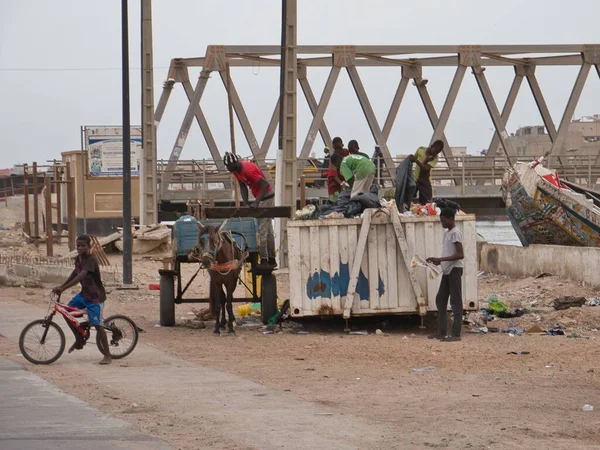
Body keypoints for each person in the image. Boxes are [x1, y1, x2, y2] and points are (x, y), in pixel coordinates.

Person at [52, 234, 111, 365]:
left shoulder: (91, 259)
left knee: (98, 325)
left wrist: (64, 288)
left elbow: (81, 276)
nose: (79, 248)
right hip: (84, 294)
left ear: (89, 247)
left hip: (95, 297)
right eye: (78, 245)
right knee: (66, 312)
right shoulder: (79, 258)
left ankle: (107, 355)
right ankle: (79, 338)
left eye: (83, 246)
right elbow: (75, 273)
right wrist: (61, 286)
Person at [224, 152, 276, 266]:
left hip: (266, 197)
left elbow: (265, 185)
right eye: (228, 168)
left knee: (262, 229)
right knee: (268, 230)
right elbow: (242, 186)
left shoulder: (248, 170)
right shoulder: (236, 171)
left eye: (230, 167)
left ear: (236, 163)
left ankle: (264, 260)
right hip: (261, 197)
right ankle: (272, 259)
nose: (230, 170)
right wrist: (246, 202)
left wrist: (257, 202)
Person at [426, 207, 464, 342]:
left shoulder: (455, 233)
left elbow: (460, 254)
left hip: (454, 269)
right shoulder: (448, 233)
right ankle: (441, 332)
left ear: (451, 219)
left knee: (455, 301)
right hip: (448, 270)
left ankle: (456, 334)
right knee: (440, 299)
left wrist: (440, 260)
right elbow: (449, 252)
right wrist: (437, 261)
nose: (442, 223)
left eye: (444, 221)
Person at [409, 140, 444, 205]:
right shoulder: (420, 150)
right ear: (432, 146)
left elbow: (425, 168)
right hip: (415, 179)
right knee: (409, 198)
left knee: (426, 203)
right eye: (435, 151)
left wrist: (416, 160)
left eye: (437, 153)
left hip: (425, 181)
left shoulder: (435, 158)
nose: (435, 154)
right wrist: (411, 159)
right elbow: (413, 159)